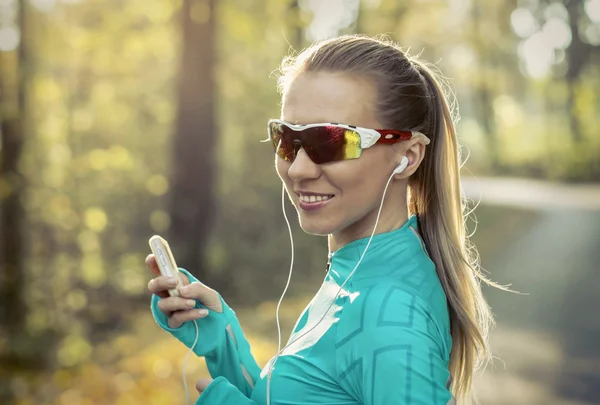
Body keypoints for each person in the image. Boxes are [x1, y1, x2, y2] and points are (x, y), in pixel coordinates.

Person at [146, 34, 498, 404]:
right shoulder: (361, 268)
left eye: (332, 141)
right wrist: (221, 336)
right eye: (286, 138)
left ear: (407, 157)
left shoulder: (390, 311)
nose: (298, 168)